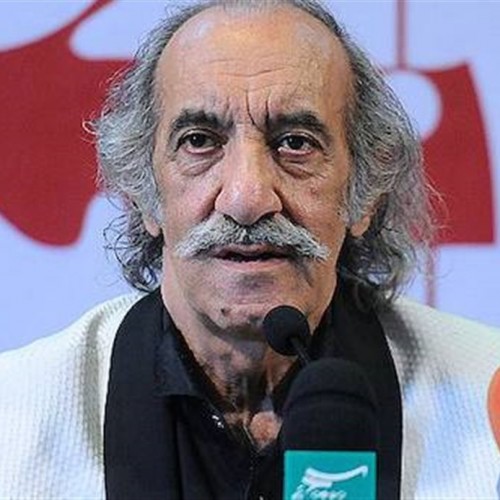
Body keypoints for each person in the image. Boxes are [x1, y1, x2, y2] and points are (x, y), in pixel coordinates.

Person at [0, 0, 499, 498]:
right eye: (200, 141)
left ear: (365, 193)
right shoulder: (15, 419)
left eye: (295, 143)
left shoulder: (487, 396)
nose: (246, 198)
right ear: (142, 193)